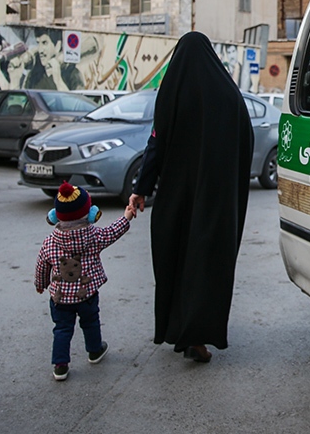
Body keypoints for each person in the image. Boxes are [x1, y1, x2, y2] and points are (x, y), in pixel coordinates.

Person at [128, 32, 254, 363]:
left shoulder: (172, 92)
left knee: (176, 262)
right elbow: (245, 143)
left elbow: (156, 143)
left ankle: (176, 330)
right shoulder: (229, 96)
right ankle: (196, 337)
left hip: (174, 201)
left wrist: (140, 189)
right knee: (205, 265)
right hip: (214, 202)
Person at [35, 181, 136, 381]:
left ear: (54, 215)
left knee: (62, 329)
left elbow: (41, 266)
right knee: (91, 322)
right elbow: (112, 232)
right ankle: (95, 351)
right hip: (87, 295)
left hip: (60, 298)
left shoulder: (50, 242)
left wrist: (40, 284)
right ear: (91, 214)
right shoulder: (94, 236)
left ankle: (60, 365)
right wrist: (126, 217)